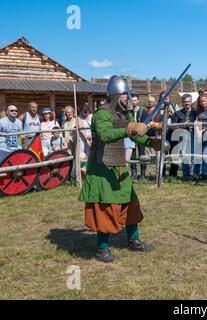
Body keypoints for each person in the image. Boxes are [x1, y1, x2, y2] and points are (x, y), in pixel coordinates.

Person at [78, 75, 161, 263]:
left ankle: (134, 240)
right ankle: (102, 249)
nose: (128, 97)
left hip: (118, 165)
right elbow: (106, 135)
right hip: (102, 168)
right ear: (115, 95)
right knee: (106, 208)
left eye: (128, 94)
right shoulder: (102, 114)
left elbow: (134, 136)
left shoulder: (125, 114)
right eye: (125, 94)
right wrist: (129, 129)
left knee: (131, 203)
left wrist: (152, 142)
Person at [170, 94, 198, 181]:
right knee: (184, 155)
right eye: (185, 102)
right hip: (182, 137)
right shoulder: (177, 114)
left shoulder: (196, 112)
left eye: (189, 101)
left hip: (194, 136)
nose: (187, 103)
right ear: (182, 102)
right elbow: (173, 126)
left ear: (191, 102)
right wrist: (183, 126)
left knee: (194, 155)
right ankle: (186, 175)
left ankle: (193, 174)